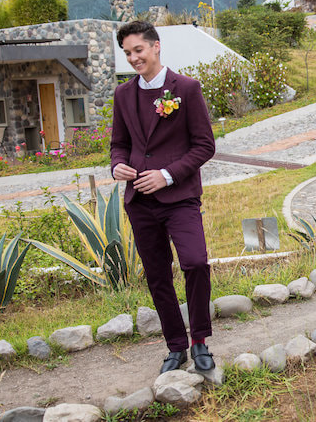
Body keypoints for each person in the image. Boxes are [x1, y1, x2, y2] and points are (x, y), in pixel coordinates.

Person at [110, 20, 216, 374]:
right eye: (127, 53)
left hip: (181, 197)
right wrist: (118, 166)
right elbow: (119, 145)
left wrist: (167, 175)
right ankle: (175, 346)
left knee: (195, 263)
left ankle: (199, 340)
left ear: (156, 46)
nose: (133, 58)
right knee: (157, 275)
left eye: (138, 50)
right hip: (140, 201)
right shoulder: (123, 95)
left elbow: (205, 146)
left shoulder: (186, 88)